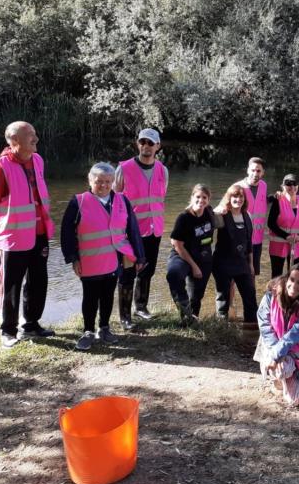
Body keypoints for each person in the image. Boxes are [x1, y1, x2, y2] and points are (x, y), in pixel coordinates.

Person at [0, 121, 56, 348]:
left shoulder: (38, 160)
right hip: (13, 238)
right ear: (14, 141)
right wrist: (1, 233)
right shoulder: (0, 168)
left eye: (35, 134)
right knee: (11, 285)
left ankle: (31, 324)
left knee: (38, 281)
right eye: (30, 135)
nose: (36, 139)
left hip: (39, 233)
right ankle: (8, 331)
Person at [60, 163, 145, 351]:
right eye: (99, 181)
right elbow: (66, 232)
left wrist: (139, 256)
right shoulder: (78, 202)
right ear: (90, 181)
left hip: (114, 261)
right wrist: (73, 258)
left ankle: (104, 328)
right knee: (90, 297)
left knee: (107, 295)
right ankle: (88, 331)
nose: (104, 185)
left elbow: (133, 230)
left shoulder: (122, 201)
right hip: (89, 261)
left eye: (108, 181)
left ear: (113, 181)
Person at [115, 128, 168, 328]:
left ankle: (141, 307)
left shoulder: (163, 170)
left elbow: (161, 198)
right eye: (142, 142)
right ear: (138, 144)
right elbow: (115, 200)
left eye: (150, 143)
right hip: (129, 233)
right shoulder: (124, 169)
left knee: (147, 271)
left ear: (158, 146)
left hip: (154, 230)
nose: (146, 146)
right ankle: (124, 316)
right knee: (127, 273)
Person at [254, 264, 299, 407]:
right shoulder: (271, 295)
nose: (294, 286)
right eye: (292, 279)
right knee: (280, 370)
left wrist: (275, 356)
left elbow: (291, 338)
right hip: (274, 345)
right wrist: (274, 354)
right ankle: (280, 379)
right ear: (286, 278)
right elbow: (264, 324)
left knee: (295, 401)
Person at [165, 184, 219, 326]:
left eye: (204, 197)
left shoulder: (209, 212)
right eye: (198, 197)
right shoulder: (183, 217)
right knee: (174, 274)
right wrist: (194, 266)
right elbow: (176, 243)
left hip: (203, 255)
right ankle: (185, 314)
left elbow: (225, 206)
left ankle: (192, 321)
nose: (201, 200)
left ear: (209, 200)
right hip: (182, 254)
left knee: (196, 295)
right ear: (192, 197)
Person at [212, 183, 258, 325]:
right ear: (229, 198)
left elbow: (249, 243)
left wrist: (251, 264)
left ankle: (251, 326)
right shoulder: (222, 215)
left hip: (242, 262)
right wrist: (216, 210)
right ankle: (221, 327)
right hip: (223, 262)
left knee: (250, 294)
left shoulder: (247, 215)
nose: (238, 199)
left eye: (241, 196)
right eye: (235, 197)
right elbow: (205, 219)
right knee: (223, 297)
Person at [267, 174, 299, 278]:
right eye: (288, 184)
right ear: (283, 186)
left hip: (297, 243)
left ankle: (290, 289)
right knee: (276, 275)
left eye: (294, 183)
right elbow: (271, 223)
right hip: (278, 244)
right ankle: (276, 289)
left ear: (298, 186)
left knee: (295, 274)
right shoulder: (278, 200)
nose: (292, 186)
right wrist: (286, 236)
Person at [239, 157, 268, 277]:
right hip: (242, 239)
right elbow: (225, 204)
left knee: (253, 273)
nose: (255, 174)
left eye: (258, 171)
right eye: (253, 170)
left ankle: (251, 290)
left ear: (263, 172)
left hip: (257, 239)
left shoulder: (263, 185)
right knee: (236, 274)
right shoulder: (239, 187)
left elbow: (262, 202)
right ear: (247, 170)